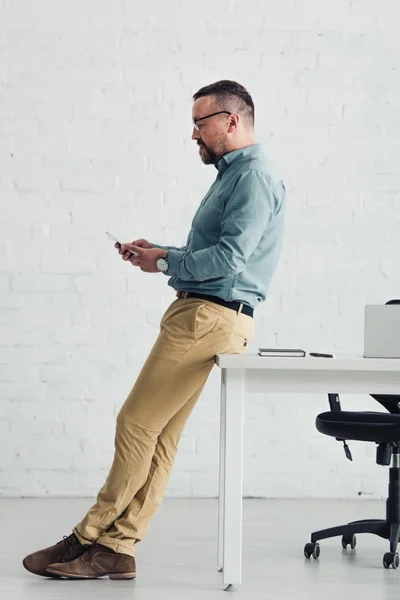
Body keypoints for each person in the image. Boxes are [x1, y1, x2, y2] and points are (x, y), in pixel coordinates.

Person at [23, 80, 286, 580]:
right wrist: (160, 252)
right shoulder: (238, 174)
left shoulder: (252, 176)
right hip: (211, 314)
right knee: (160, 437)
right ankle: (118, 550)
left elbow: (231, 260)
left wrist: (165, 260)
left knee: (135, 424)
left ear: (232, 120)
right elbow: (221, 253)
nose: (194, 135)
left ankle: (85, 537)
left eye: (200, 123)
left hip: (208, 316)